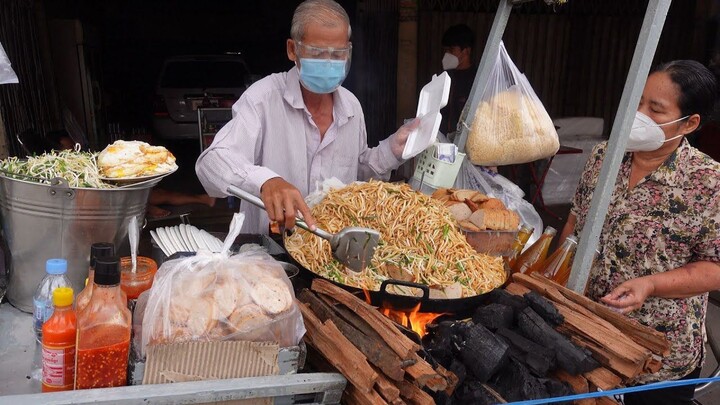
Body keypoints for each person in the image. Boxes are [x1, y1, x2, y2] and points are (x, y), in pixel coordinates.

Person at [560, 60, 720, 405]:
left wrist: (650, 285)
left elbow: (715, 268)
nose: (639, 115)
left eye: (655, 109)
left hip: (659, 356)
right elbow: (575, 222)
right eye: (637, 101)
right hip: (586, 335)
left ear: (690, 123)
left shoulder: (708, 181)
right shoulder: (605, 155)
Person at [195, 0, 417, 235]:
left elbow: (356, 175)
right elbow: (211, 162)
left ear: (348, 52)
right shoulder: (263, 98)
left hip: (328, 251)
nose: (328, 62)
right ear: (293, 49)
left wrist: (392, 151)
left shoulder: (351, 106)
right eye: (317, 53)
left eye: (338, 54)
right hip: (268, 251)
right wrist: (265, 181)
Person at [439, 24, 476, 137]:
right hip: (442, 141)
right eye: (445, 50)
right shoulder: (444, 77)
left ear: (466, 51)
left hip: (464, 144)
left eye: (451, 49)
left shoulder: (477, 80)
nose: (447, 54)